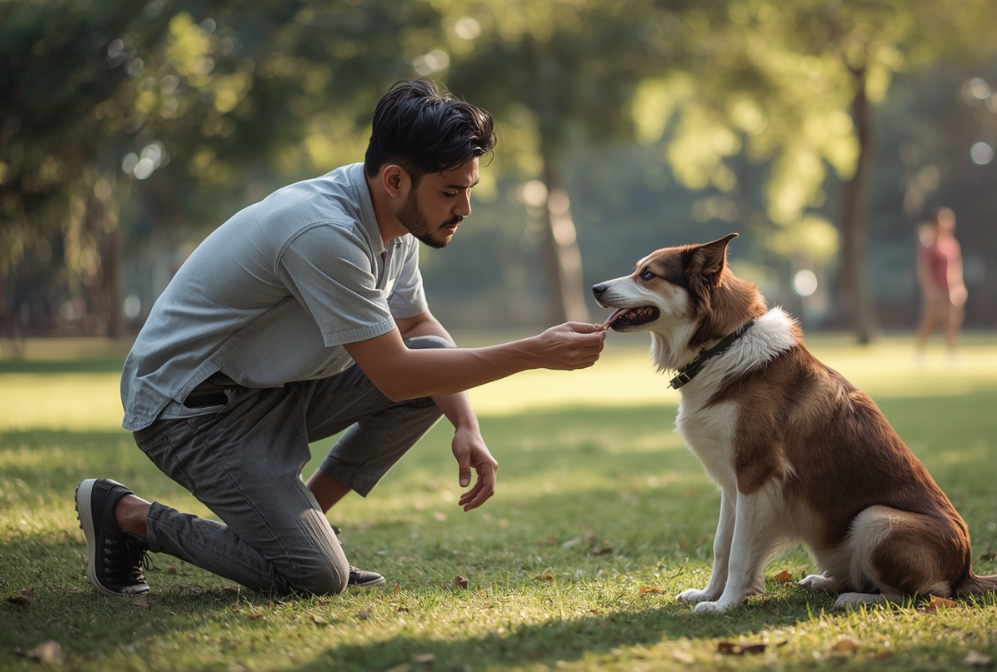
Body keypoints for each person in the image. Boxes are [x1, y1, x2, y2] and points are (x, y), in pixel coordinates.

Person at [76, 80, 608, 598]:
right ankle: (128, 516)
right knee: (314, 578)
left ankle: (304, 526)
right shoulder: (323, 232)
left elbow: (420, 331)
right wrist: (535, 352)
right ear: (396, 179)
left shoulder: (392, 223)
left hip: (269, 393)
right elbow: (395, 373)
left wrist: (465, 423)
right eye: (451, 192)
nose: (464, 208)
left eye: (468, 190)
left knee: (432, 366)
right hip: (191, 412)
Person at [915, 207, 968, 359]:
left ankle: (952, 354)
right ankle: (919, 352)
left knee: (952, 323)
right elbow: (924, 269)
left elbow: (956, 266)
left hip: (951, 290)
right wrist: (929, 289)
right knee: (929, 321)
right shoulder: (929, 244)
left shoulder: (952, 244)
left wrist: (959, 286)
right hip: (935, 291)